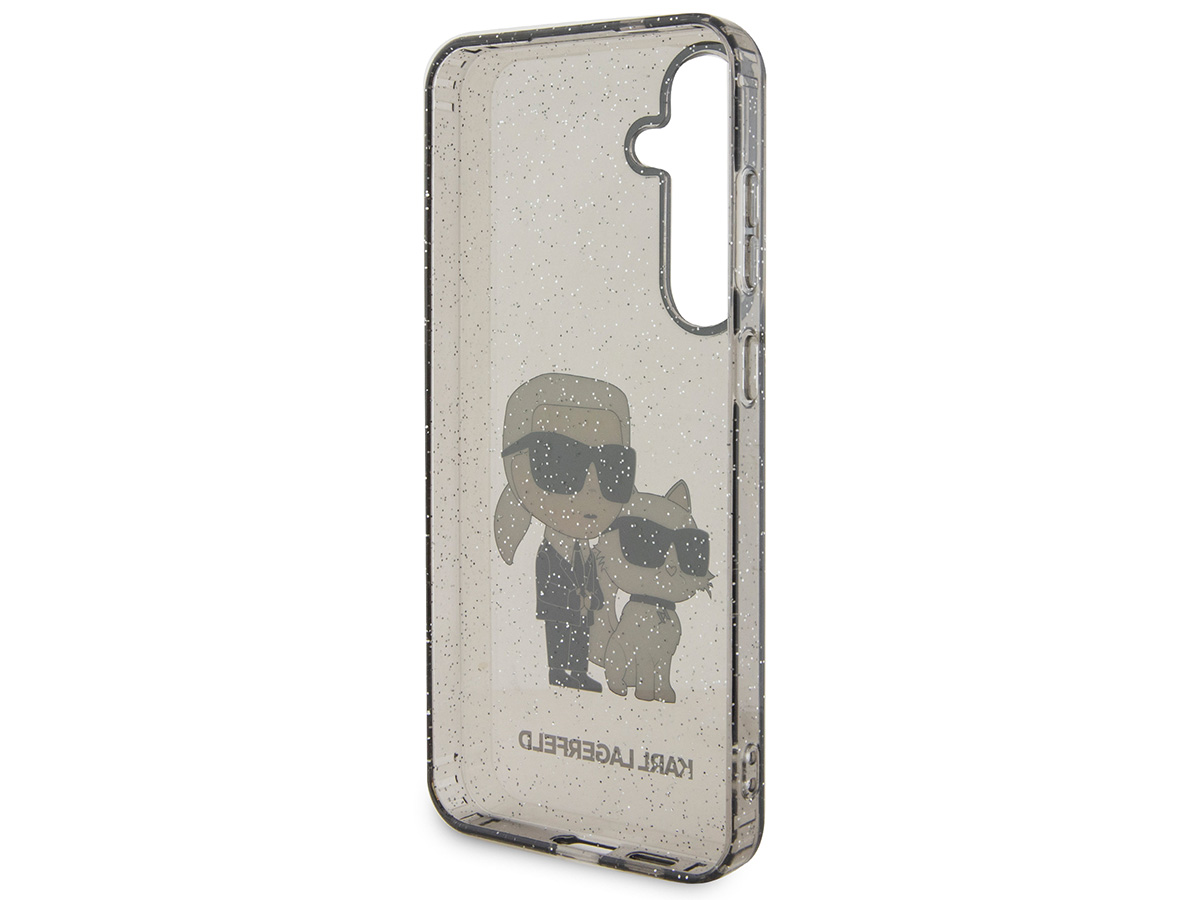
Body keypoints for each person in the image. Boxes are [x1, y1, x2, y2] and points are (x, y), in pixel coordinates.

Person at [494, 373, 635, 692]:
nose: (591, 487)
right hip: (558, 609)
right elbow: (547, 582)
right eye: (558, 463)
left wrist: (594, 599)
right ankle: (559, 671)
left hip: (583, 609)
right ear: (516, 466)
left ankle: (578, 672)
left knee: (580, 637)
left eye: (612, 466)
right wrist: (574, 598)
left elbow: (592, 577)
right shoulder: (548, 552)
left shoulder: (586, 550)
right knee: (560, 637)